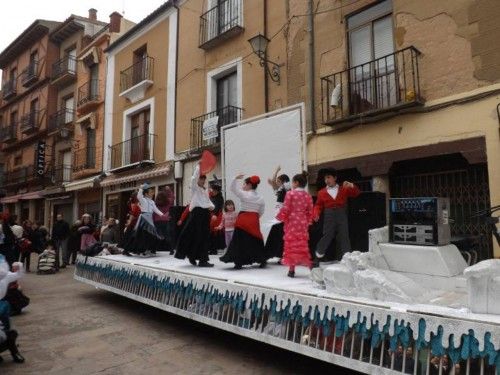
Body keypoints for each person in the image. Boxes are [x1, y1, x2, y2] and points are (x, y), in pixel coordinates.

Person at [220, 174, 267, 269]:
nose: (243, 186)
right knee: (256, 240)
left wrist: (235, 178)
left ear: (249, 185)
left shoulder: (244, 194)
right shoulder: (261, 198)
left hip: (242, 220)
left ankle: (239, 262)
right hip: (254, 220)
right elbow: (261, 211)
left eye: (244, 184)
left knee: (239, 242)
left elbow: (232, 189)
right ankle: (261, 260)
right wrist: (255, 218)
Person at [313, 168, 360, 262]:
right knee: (327, 235)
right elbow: (318, 205)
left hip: (341, 214)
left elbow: (356, 193)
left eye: (329, 177)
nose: (327, 180)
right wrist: (316, 214)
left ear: (335, 178)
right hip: (329, 215)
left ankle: (347, 258)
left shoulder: (344, 188)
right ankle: (318, 255)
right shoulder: (321, 192)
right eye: (325, 178)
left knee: (344, 236)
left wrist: (351, 185)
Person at [175, 162, 215, 267]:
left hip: (205, 214)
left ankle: (202, 259)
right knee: (195, 236)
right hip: (196, 214)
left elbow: (208, 202)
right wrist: (198, 167)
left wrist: (212, 207)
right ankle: (193, 257)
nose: (202, 180)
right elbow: (193, 179)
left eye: (203, 179)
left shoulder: (204, 190)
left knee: (204, 237)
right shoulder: (194, 188)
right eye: (201, 178)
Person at [276, 171, 314, 277]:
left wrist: (279, 217)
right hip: (302, 222)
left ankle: (291, 270)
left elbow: (286, 208)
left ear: (296, 183)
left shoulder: (290, 194)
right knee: (302, 244)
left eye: (292, 182)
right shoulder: (307, 196)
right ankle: (310, 265)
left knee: (291, 245)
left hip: (292, 222)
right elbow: (310, 211)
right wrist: (308, 221)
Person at [124, 184, 166, 256]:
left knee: (150, 235)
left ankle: (148, 250)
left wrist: (163, 215)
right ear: (146, 194)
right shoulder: (143, 200)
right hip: (143, 219)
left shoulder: (152, 202)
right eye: (151, 192)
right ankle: (130, 250)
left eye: (152, 192)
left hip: (149, 219)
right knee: (140, 236)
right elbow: (139, 196)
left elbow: (156, 210)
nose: (152, 193)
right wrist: (141, 188)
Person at [0, 255, 25, 363]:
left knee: (9, 331)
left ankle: (13, 350)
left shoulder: (5, 275)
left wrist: (19, 267)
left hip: (1, 304)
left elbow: (18, 275)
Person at [264, 166, 291, 261]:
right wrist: (276, 171)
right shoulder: (280, 191)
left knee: (280, 236)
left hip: (284, 216)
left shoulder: (287, 189)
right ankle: (271, 254)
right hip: (278, 216)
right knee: (275, 235)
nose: (277, 183)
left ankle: (282, 255)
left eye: (279, 181)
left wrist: (276, 174)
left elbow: (274, 182)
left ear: (284, 182)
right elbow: (273, 183)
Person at [153, 187, 174, 253]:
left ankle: (154, 249)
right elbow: (172, 197)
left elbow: (153, 213)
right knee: (167, 235)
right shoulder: (168, 203)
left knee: (156, 235)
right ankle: (171, 249)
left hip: (157, 221)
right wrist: (169, 190)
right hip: (165, 220)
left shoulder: (155, 204)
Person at [208, 181, 225, 255]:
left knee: (214, 232)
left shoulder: (220, 198)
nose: (213, 191)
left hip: (216, 216)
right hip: (210, 215)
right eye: (213, 190)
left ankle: (214, 249)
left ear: (218, 191)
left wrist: (215, 215)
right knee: (210, 233)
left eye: (215, 190)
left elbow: (219, 208)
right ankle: (211, 248)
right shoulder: (210, 196)